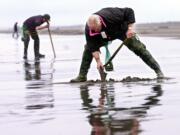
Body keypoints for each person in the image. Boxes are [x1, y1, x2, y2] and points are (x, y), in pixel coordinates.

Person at [71, 7, 164, 82]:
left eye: (96, 29)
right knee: (88, 48)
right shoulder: (89, 29)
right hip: (102, 36)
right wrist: (98, 61)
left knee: (138, 48)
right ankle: (82, 76)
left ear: (100, 22)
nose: (94, 30)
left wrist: (130, 29)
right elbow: (92, 45)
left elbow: (129, 11)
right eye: (93, 29)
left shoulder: (111, 15)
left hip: (121, 31)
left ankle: (158, 71)